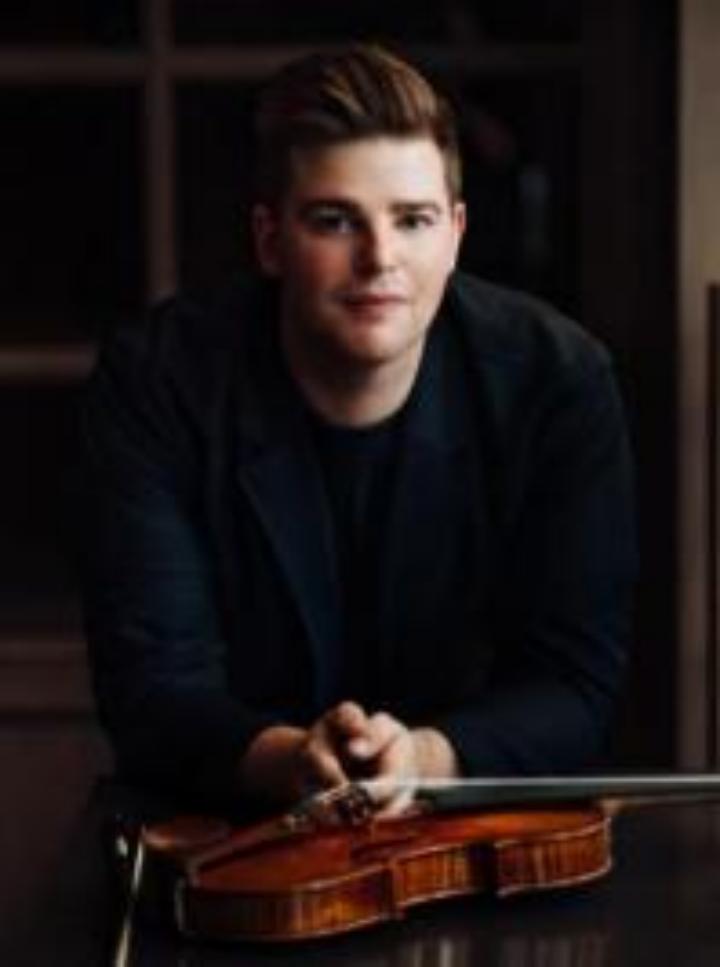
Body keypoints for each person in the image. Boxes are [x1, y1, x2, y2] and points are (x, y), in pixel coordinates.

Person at [82, 45, 636, 818]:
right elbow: (151, 689)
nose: (379, 258)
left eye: (413, 220)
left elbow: (575, 685)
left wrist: (424, 758)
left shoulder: (559, 382)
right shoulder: (159, 382)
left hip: (470, 831)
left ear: (455, 232)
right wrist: (290, 758)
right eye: (335, 220)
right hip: (222, 832)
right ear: (270, 239)